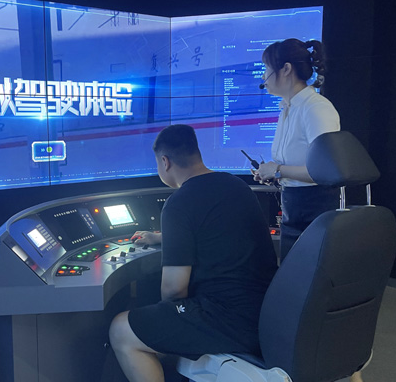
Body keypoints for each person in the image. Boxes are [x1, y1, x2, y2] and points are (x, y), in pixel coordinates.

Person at [108, 124, 278, 382]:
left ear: (165, 162)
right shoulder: (236, 186)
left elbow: (173, 290)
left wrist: (168, 318)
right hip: (265, 313)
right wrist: (161, 237)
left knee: (121, 329)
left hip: (226, 320)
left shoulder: (178, 203)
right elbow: (217, 231)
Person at [254, 38, 340, 262]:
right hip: (294, 208)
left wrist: (278, 170)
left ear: (286, 69)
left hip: (315, 209)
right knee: (291, 275)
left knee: (309, 277)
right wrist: (271, 173)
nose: (263, 76)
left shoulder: (316, 108)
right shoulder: (287, 108)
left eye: (266, 68)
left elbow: (325, 171)